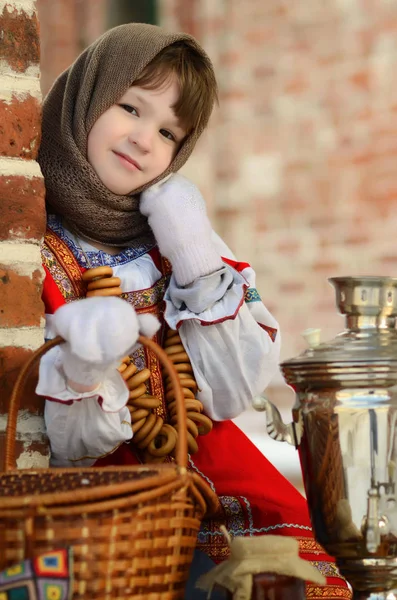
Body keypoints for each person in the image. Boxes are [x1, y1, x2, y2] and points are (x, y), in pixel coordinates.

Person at [35, 23, 350, 599]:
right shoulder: (27, 243)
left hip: (215, 478)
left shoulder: (177, 236)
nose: (143, 139)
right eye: (129, 106)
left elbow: (231, 393)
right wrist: (88, 366)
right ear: (85, 96)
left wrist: (194, 255)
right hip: (96, 502)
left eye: (168, 132)